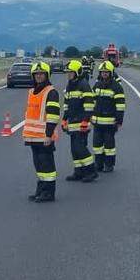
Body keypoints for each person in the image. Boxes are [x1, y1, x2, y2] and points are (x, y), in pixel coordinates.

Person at [23, 61, 62, 202]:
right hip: (33, 137)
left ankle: (49, 193)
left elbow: (53, 116)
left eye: (41, 74)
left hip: (44, 137)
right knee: (39, 166)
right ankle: (40, 190)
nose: (39, 76)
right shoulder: (31, 92)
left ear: (47, 75)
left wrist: (48, 135)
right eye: (36, 74)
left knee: (47, 166)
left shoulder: (51, 92)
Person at [61, 59, 97, 182]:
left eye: (71, 72)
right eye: (68, 72)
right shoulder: (69, 85)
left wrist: (86, 121)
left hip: (82, 122)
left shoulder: (84, 84)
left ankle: (91, 171)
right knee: (74, 149)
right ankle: (79, 172)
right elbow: (66, 104)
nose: (69, 74)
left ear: (77, 72)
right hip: (72, 122)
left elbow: (89, 105)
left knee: (80, 148)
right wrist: (64, 119)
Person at [90, 60, 126, 173]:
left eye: (106, 72)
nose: (104, 74)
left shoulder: (117, 87)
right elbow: (92, 101)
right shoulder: (97, 85)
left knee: (109, 146)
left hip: (110, 123)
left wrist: (119, 121)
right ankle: (98, 164)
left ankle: (109, 165)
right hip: (97, 122)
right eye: (102, 72)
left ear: (111, 73)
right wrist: (90, 115)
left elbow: (120, 106)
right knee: (97, 145)